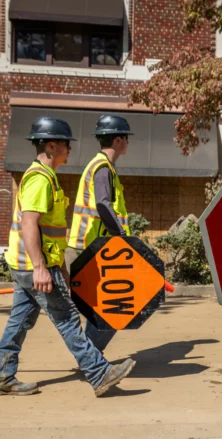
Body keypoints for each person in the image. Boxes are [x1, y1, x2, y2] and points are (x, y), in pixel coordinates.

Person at [0, 116, 135, 397]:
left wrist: (57, 266)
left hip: (27, 264)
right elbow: (30, 223)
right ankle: (99, 373)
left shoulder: (45, 177)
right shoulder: (40, 179)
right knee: (67, 319)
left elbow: (48, 230)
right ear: (52, 146)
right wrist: (42, 268)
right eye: (66, 145)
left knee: (19, 322)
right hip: (33, 266)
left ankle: (0, 376)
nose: (70, 149)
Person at [66, 115, 133, 354]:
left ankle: (91, 358)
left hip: (91, 249)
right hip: (89, 251)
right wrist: (124, 237)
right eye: (126, 138)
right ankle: (91, 359)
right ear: (118, 140)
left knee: (105, 310)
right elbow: (103, 205)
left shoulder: (100, 166)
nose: (128, 143)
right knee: (114, 309)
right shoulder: (103, 169)